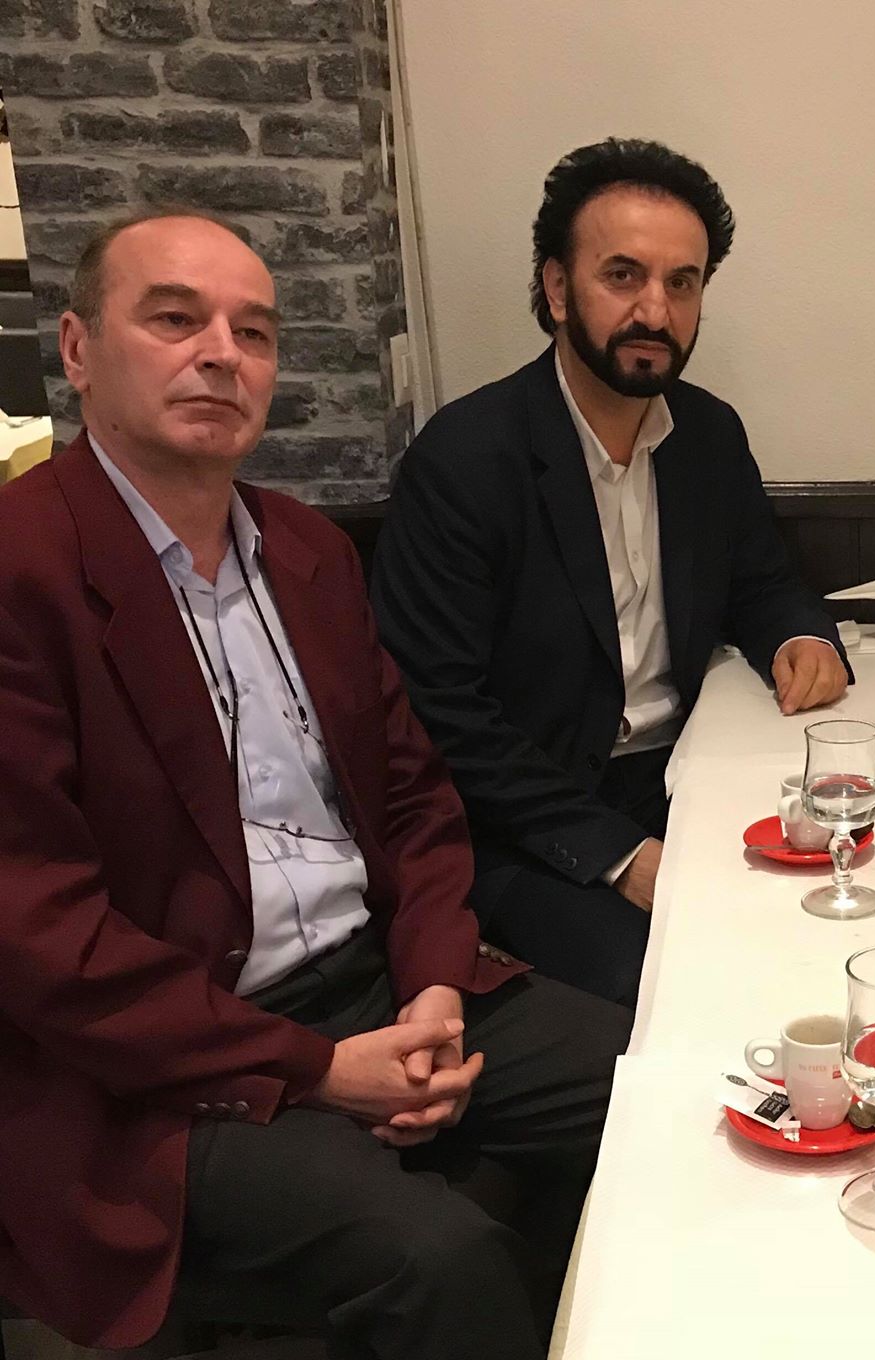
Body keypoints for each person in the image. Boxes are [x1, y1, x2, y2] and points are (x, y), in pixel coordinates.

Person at [0, 209, 628, 1359]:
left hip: (376, 977)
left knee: (659, 1089)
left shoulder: (305, 551)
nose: (221, 355)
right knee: (439, 1260)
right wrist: (319, 1068)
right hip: (160, 1060)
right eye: (175, 319)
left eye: (253, 331)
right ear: (78, 349)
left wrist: (433, 988)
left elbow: (415, 799)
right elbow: (40, 933)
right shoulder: (21, 568)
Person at [373, 139, 848, 1006]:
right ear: (558, 290)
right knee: (681, 989)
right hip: (526, 822)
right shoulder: (467, 459)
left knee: (841, 921)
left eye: (682, 283)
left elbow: (761, 581)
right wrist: (620, 855)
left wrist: (800, 635)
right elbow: (440, 713)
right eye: (623, 276)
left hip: (691, 774)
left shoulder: (708, 435)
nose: (655, 311)